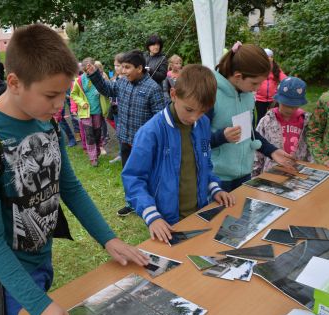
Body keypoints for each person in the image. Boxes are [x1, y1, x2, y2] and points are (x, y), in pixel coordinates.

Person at [0, 24, 149, 315]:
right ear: (15, 82)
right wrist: (39, 305)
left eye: (64, 94)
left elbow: (69, 187)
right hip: (9, 279)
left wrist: (108, 239)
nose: (60, 106)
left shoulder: (47, 124)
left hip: (42, 259)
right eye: (51, 95)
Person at [122, 64, 235, 243]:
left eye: (202, 111)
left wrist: (214, 188)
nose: (194, 117)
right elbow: (133, 178)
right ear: (173, 95)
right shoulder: (151, 132)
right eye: (189, 109)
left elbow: (205, 164)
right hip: (165, 222)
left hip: (199, 214)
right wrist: (152, 216)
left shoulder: (203, 123)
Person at [85, 49, 164, 216]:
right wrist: (95, 75)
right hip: (124, 140)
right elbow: (107, 89)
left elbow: (159, 120)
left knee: (145, 175)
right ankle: (132, 202)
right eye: (122, 67)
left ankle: (150, 205)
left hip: (143, 144)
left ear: (140, 68)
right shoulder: (122, 83)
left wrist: (153, 140)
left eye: (127, 67)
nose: (123, 71)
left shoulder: (152, 89)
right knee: (129, 175)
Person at [209, 42, 295, 192]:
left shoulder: (247, 95)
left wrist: (272, 151)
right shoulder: (211, 95)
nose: (257, 88)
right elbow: (194, 141)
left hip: (243, 174)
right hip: (217, 179)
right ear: (238, 76)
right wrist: (221, 137)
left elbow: (248, 132)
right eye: (255, 83)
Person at [253, 77, 312, 176]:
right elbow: (257, 149)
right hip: (271, 173)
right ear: (278, 100)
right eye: (286, 104)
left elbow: (311, 150)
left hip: (297, 173)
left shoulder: (306, 122)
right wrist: (255, 174)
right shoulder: (266, 121)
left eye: (294, 106)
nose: (289, 109)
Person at [70, 57, 110, 167]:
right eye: (86, 70)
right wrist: (82, 103)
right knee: (89, 135)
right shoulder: (79, 80)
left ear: (94, 66)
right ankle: (92, 158)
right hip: (85, 112)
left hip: (97, 110)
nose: (89, 71)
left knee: (97, 134)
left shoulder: (100, 77)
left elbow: (108, 89)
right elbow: (74, 94)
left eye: (90, 68)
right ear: (83, 69)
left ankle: (96, 153)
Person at [254, 48, 287, 127]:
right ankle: (259, 132)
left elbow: (284, 79)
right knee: (261, 117)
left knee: (273, 117)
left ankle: (272, 132)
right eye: (266, 57)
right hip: (259, 99)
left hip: (273, 99)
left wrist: (286, 83)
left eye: (270, 57)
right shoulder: (257, 68)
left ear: (272, 58)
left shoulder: (276, 69)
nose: (268, 59)